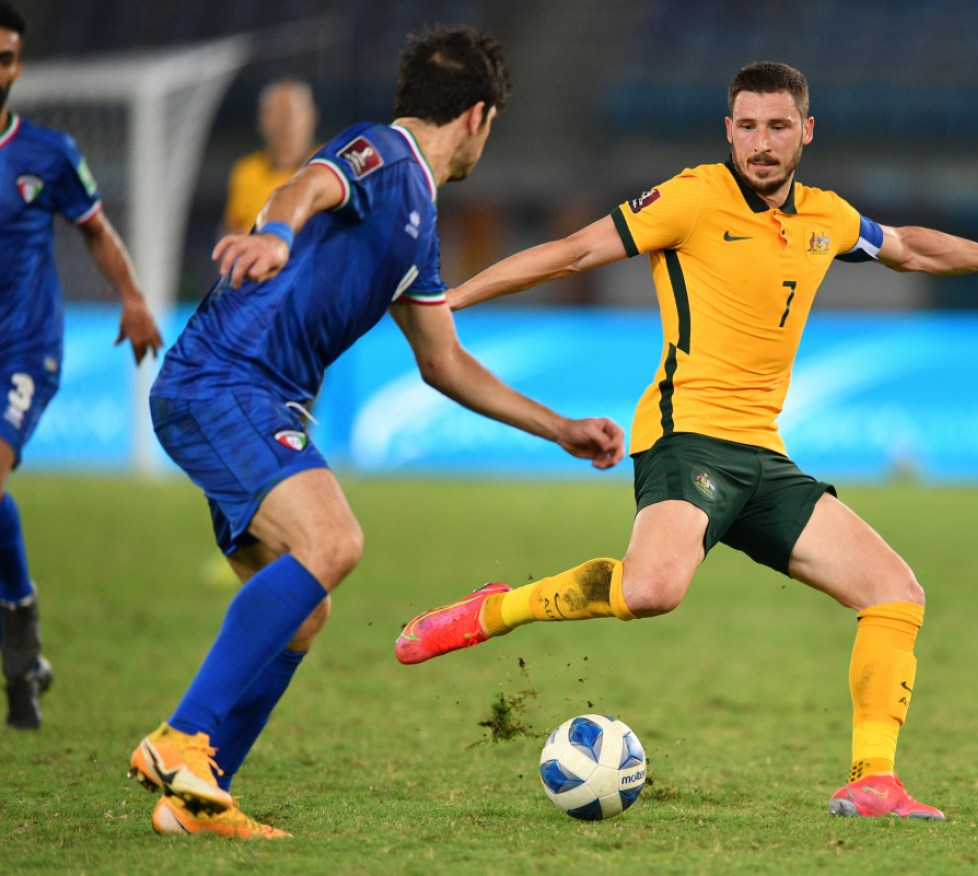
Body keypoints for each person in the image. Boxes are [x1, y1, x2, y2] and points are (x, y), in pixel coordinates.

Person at [396, 61, 978, 820]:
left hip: (762, 456)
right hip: (686, 435)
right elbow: (570, 251)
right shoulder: (692, 198)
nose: (760, 144)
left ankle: (874, 780)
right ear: (726, 129)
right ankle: (497, 610)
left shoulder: (826, 217)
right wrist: (449, 298)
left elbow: (911, 248)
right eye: (746, 126)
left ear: (805, 130)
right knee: (653, 590)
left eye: (776, 127)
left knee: (895, 592)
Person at [126, 25, 624, 840]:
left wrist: (558, 428)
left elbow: (444, 363)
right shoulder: (381, 153)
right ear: (477, 117)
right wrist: (277, 234)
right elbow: (305, 188)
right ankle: (180, 739)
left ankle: (195, 798)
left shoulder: (420, 226)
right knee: (334, 542)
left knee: (303, 610)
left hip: (254, 399)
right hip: (226, 383)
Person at [0, 0, 162, 730]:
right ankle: (23, 633)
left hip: (26, 346)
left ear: (18, 67)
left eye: (6, 59)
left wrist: (131, 296)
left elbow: (96, 230)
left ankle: (20, 632)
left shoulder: (50, 153)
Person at [222, 78, 317, 235]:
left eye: (290, 113)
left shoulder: (327, 166)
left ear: (311, 117)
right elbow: (232, 228)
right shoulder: (246, 172)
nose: (284, 122)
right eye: (276, 112)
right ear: (262, 119)